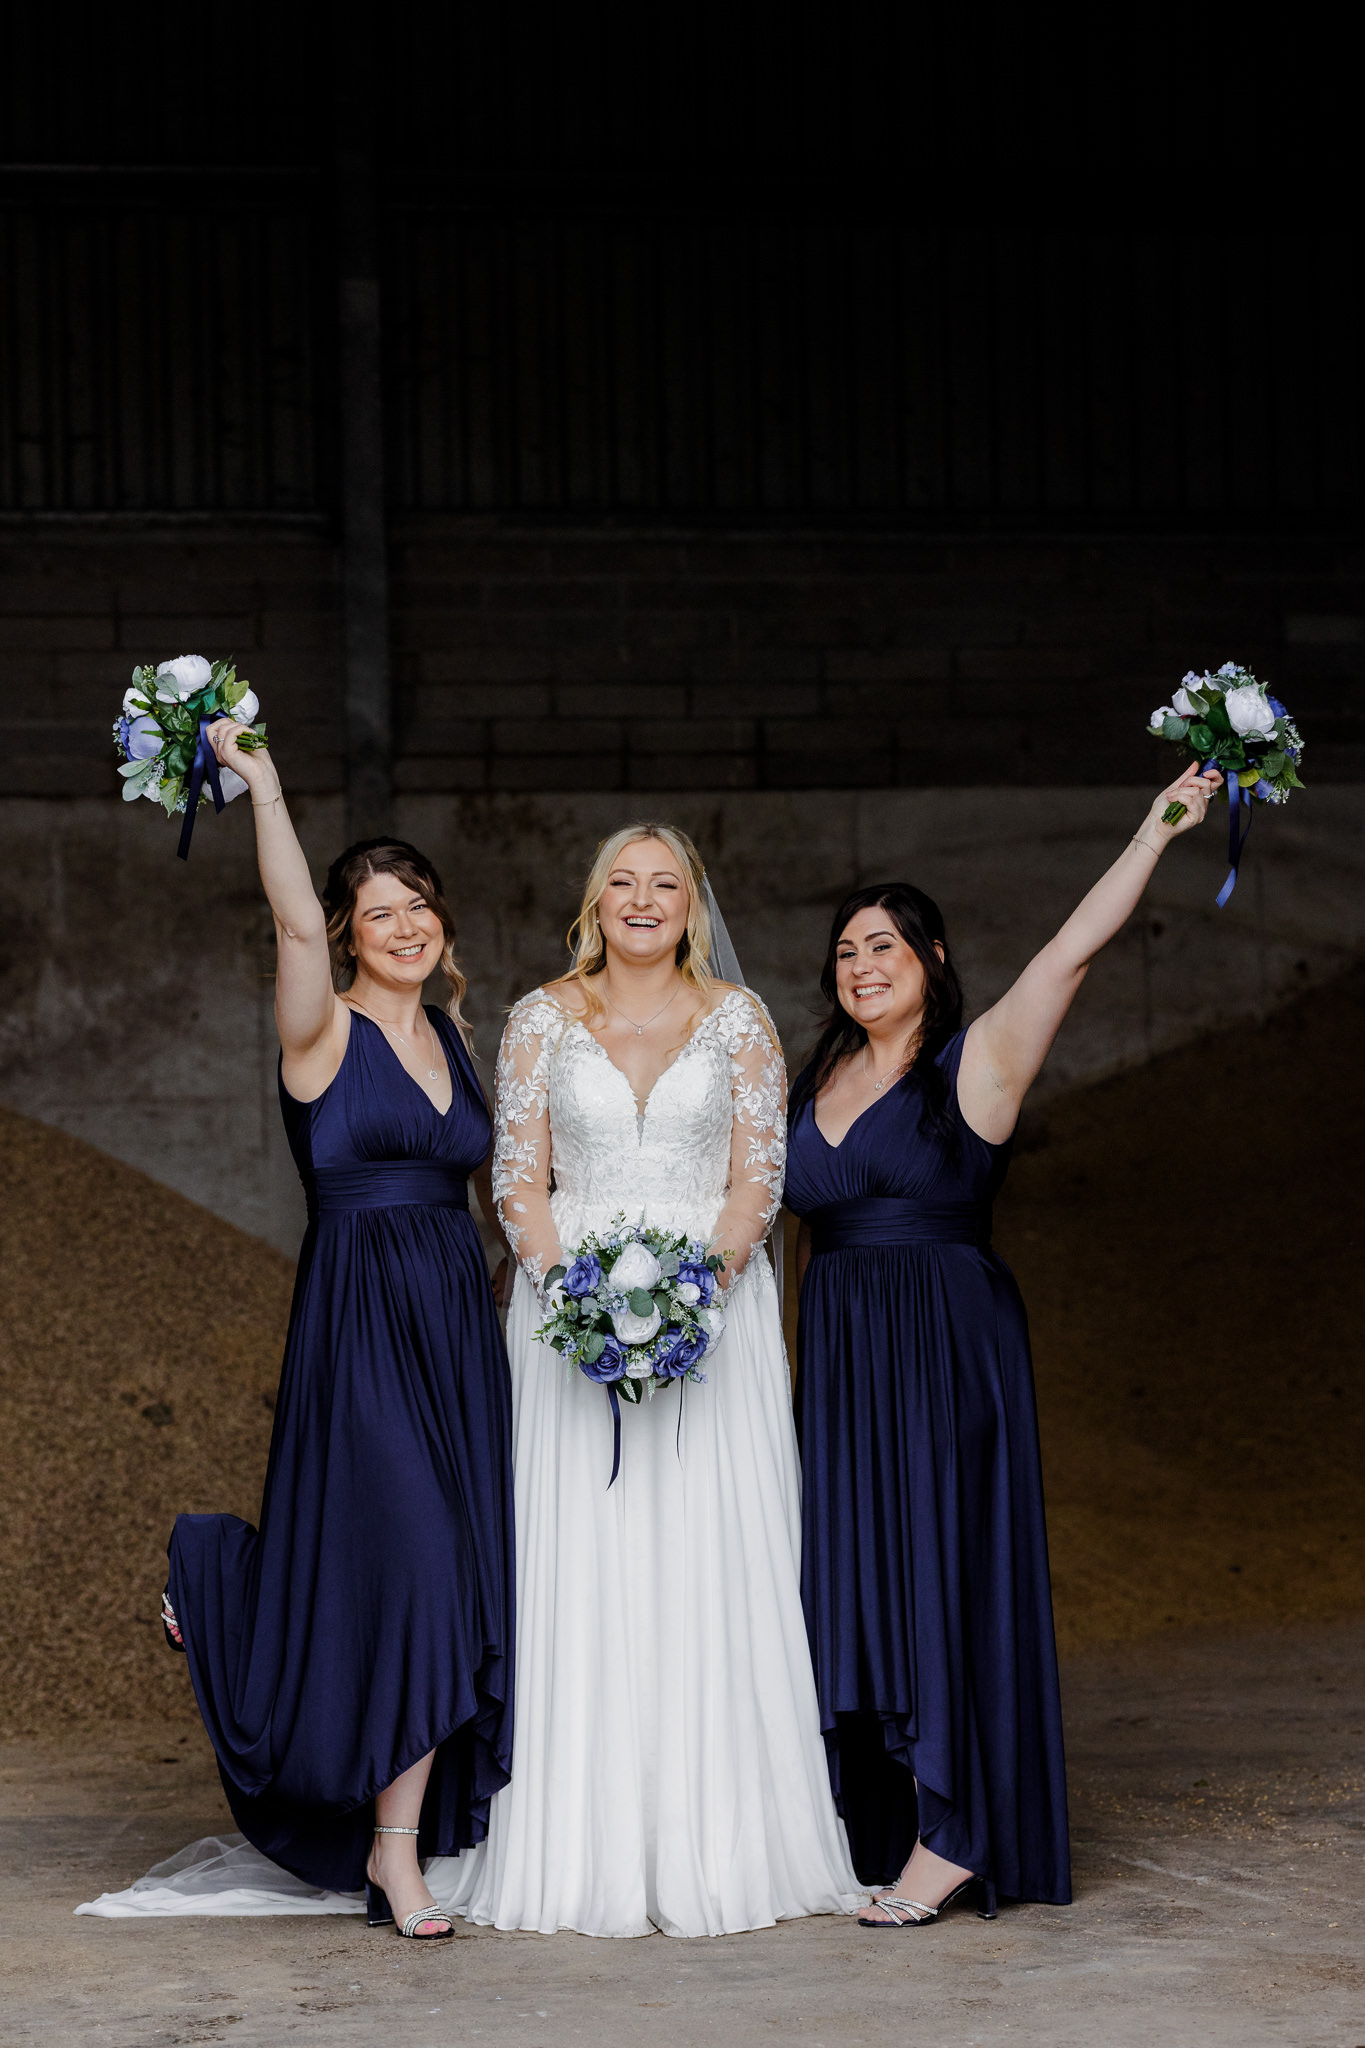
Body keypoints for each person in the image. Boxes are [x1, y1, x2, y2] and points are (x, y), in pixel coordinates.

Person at [784, 762, 1223, 1927]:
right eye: (847, 951)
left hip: (941, 1347)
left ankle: (954, 1832)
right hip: (837, 1358)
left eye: (886, 946)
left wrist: (1155, 826)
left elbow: (1073, 948)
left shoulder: (976, 1061)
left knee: (938, 1565)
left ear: (929, 961)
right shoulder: (810, 1074)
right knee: (855, 1570)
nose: (864, 966)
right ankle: (875, 1812)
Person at [431, 822, 861, 1936]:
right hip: (563, 1307)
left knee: (705, 1555)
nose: (642, 897)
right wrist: (575, 1293)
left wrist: (689, 1293)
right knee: (581, 1558)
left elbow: (757, 1180)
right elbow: (513, 1176)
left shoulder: (741, 1019)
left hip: (709, 1314)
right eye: (621, 880)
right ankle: (574, 1845)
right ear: (592, 901)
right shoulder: (537, 1017)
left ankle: (728, 1840)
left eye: (664, 881)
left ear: (692, 904)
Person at [153, 720, 516, 1939]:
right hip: (359, 1318)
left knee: (455, 1569)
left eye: (420, 905)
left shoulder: (459, 1039)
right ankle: (395, 1856)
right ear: (347, 932)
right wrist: (262, 787)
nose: (404, 925)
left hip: (456, 1321)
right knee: (413, 1558)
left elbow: (494, 1197)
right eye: (379, 911)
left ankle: (248, 1618)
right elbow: (291, 924)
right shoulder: (319, 1035)